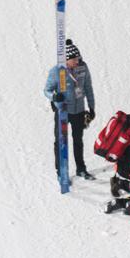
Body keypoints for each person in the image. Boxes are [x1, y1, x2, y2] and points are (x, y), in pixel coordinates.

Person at [44, 39, 96, 180]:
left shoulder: (83, 68)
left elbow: (88, 88)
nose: (77, 62)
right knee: (60, 141)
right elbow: (46, 90)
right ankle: (61, 172)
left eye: (78, 58)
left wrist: (91, 107)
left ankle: (81, 169)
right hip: (63, 111)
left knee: (78, 140)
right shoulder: (56, 72)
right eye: (74, 59)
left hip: (78, 110)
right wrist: (54, 97)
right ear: (66, 60)